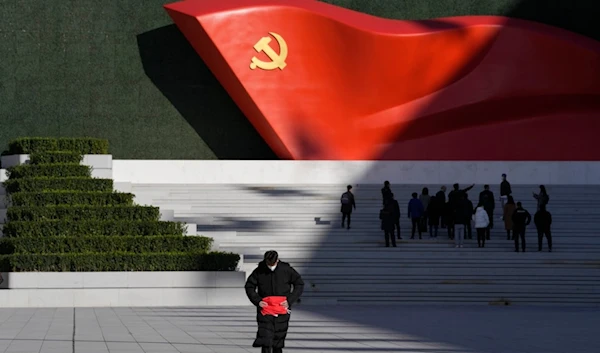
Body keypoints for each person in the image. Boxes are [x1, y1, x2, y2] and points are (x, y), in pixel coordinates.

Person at [245, 251, 304, 353]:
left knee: (278, 339)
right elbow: (249, 286)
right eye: (268, 263)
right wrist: (258, 300)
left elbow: (299, 283)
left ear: (277, 260)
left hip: (282, 308)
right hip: (265, 309)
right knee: (266, 339)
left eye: (273, 263)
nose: (270, 266)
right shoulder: (259, 270)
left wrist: (290, 300)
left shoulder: (286, 270)